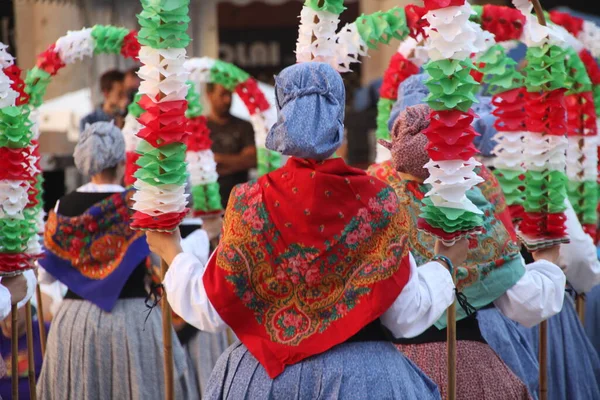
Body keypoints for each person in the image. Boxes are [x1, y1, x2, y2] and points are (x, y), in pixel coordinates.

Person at [146, 62, 472, 399]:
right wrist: (445, 265)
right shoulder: (378, 201)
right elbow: (405, 316)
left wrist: (172, 252)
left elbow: (212, 307)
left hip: (265, 383)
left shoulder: (248, 201)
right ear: (339, 122)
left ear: (282, 114)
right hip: (365, 381)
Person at [369, 102, 567, 400]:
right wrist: (548, 263)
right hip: (468, 367)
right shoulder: (467, 202)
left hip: (388, 371)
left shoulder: (375, 198)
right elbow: (525, 302)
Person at [36, 122, 193, 400]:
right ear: (122, 161)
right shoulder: (139, 205)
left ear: (84, 162)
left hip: (76, 323)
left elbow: (45, 277)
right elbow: (161, 261)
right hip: (133, 320)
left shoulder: (61, 207)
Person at [205, 83, 257, 208]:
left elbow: (252, 160)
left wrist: (216, 160)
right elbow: (195, 166)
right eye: (223, 94)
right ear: (210, 95)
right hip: (208, 203)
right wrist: (238, 161)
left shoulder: (244, 126)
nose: (227, 99)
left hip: (240, 202)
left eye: (230, 94)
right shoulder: (199, 127)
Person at [0, 306, 47, 400]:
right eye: (6, 305)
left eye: (15, 304)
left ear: (27, 307)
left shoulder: (47, 332)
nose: (10, 312)